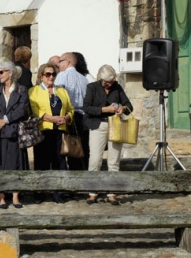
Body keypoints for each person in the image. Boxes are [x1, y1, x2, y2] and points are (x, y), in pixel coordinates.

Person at [83, 65, 133, 206]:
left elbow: (129, 105)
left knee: (114, 161)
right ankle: (92, 192)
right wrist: (106, 109)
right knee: (95, 160)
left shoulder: (117, 87)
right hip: (97, 125)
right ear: (100, 79)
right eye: (106, 82)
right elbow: (87, 107)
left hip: (115, 125)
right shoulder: (92, 87)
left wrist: (122, 108)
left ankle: (112, 192)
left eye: (111, 81)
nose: (109, 84)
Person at [28, 62, 74, 203]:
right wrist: (51, 118)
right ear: (41, 76)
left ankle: (58, 193)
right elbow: (35, 110)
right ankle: (40, 193)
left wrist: (66, 118)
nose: (51, 77)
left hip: (59, 131)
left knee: (59, 163)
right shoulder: (34, 91)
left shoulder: (62, 90)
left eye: (53, 74)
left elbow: (71, 109)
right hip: (44, 131)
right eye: (48, 74)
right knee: (42, 162)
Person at [0, 61, 29, 209]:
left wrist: (5, 120)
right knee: (0, 165)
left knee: (15, 165)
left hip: (14, 132)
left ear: (10, 73)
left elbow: (22, 109)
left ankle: (15, 196)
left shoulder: (21, 90)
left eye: (1, 72)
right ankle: (1, 197)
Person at [55, 52, 90, 170]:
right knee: (81, 148)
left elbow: (57, 97)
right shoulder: (84, 78)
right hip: (84, 117)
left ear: (68, 62)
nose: (58, 65)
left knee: (69, 148)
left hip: (68, 117)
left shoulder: (62, 76)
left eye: (60, 61)